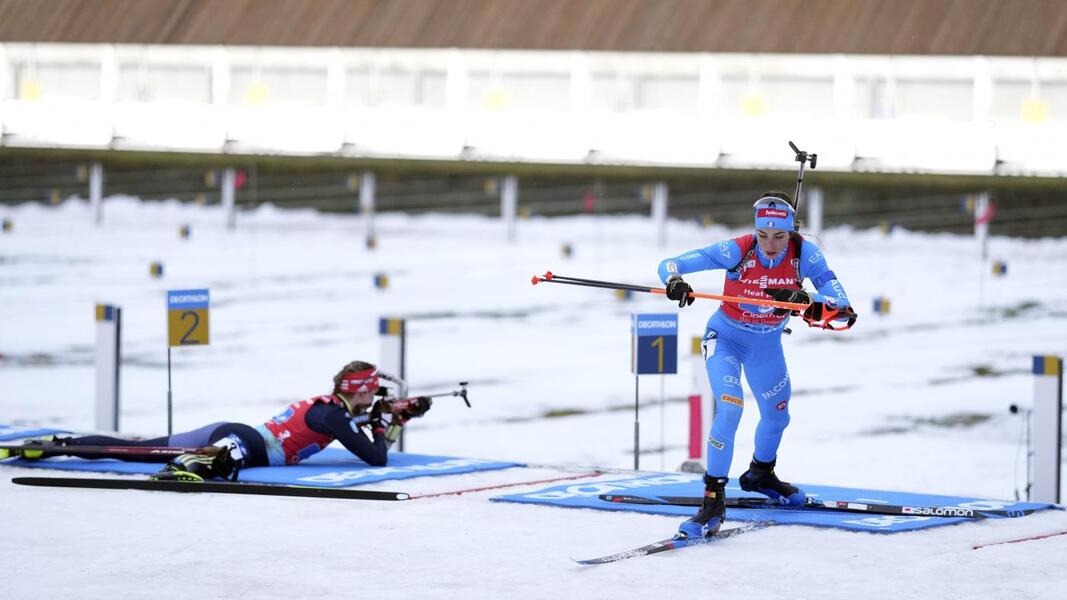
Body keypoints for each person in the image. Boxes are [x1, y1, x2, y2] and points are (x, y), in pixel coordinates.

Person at [657, 192, 855, 539]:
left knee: (778, 416)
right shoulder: (739, 249)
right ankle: (712, 500)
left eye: (779, 236)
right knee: (730, 408)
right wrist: (675, 282)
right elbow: (671, 264)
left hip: (767, 347)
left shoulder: (806, 255)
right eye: (763, 235)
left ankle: (760, 474)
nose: (770, 245)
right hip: (726, 341)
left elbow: (843, 309)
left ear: (792, 232)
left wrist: (805, 300)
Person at [38, 361, 431, 482]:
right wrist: (383, 422)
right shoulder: (335, 416)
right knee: (212, 460)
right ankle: (197, 464)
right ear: (361, 391)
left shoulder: (335, 410)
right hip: (246, 443)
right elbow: (376, 457)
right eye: (373, 391)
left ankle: (64, 444)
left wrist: (392, 419)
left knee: (136, 450)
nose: (376, 396)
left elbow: (373, 444)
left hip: (234, 431)